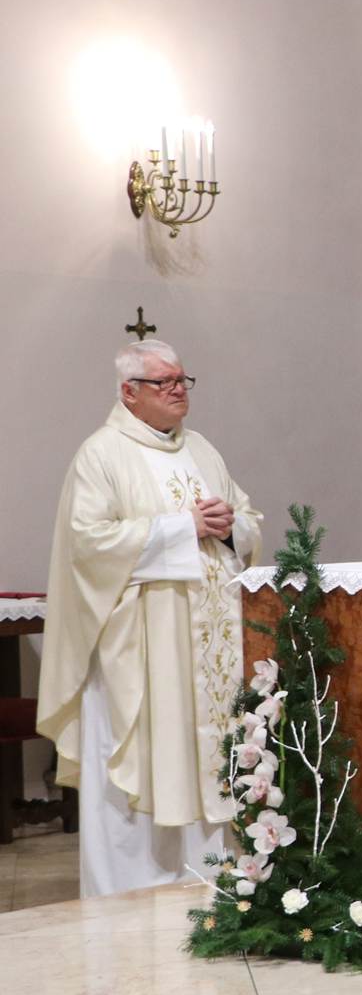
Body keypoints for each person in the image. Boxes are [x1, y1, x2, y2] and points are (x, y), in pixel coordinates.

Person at [37, 340, 263, 897]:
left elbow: (247, 520)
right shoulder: (101, 455)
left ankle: (207, 885)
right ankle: (129, 894)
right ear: (129, 392)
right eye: (165, 382)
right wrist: (184, 527)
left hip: (207, 652)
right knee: (141, 759)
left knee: (205, 755)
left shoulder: (202, 450)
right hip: (139, 648)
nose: (179, 390)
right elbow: (87, 544)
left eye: (183, 379)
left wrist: (230, 526)